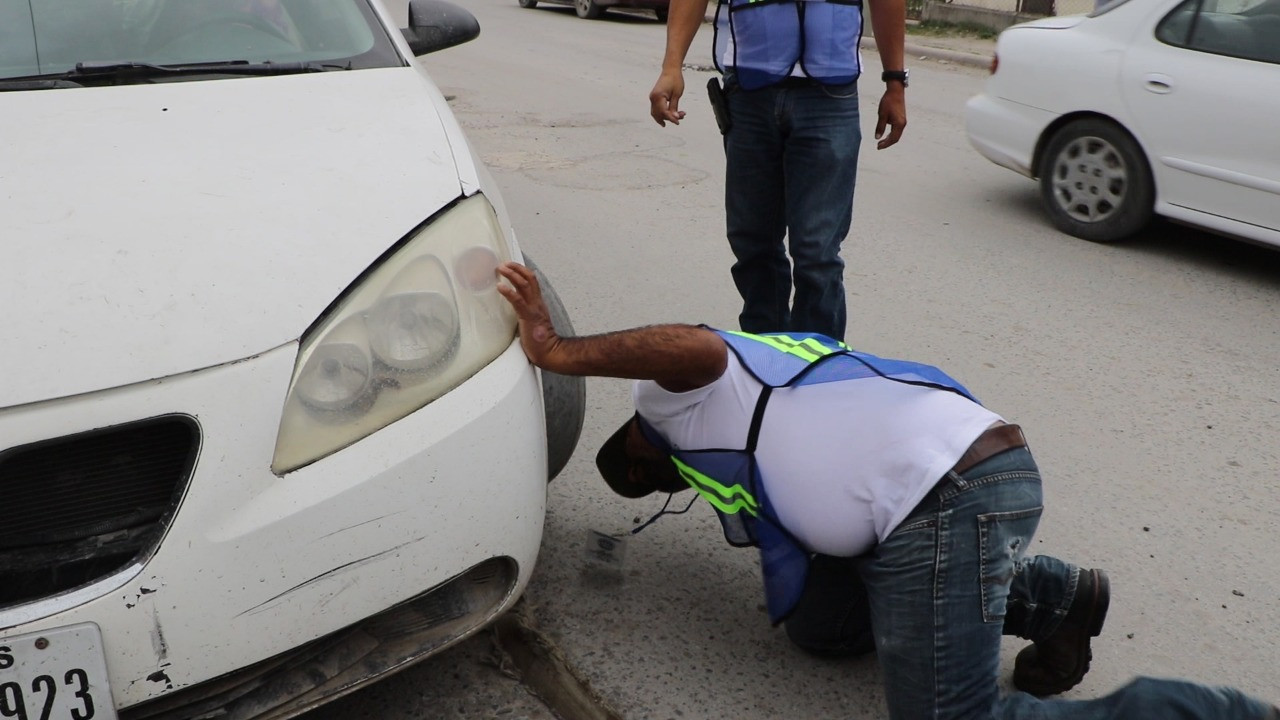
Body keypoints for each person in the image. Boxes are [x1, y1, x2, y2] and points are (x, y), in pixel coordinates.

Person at [495, 261, 1278, 720]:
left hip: (942, 498)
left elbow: (695, 343)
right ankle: (1062, 596)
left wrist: (557, 350)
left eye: (652, 481)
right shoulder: (741, 440)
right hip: (963, 473)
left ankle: (1216, 712)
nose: (674, 485)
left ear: (640, 461)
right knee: (821, 630)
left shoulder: (670, 404)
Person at [647, 0, 908, 341]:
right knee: (754, 243)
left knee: (817, 253)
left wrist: (895, 82)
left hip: (829, 96)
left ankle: (816, 373)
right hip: (749, 91)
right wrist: (671, 65)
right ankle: (765, 363)